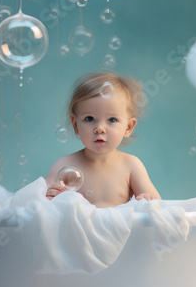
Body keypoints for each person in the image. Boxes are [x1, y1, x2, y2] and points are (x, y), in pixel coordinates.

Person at [45, 72, 160, 207]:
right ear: (75, 124)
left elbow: (158, 207)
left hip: (117, 228)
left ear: (128, 127)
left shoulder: (131, 166)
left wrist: (148, 200)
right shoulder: (63, 166)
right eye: (89, 119)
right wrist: (52, 198)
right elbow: (42, 208)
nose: (99, 128)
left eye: (112, 120)